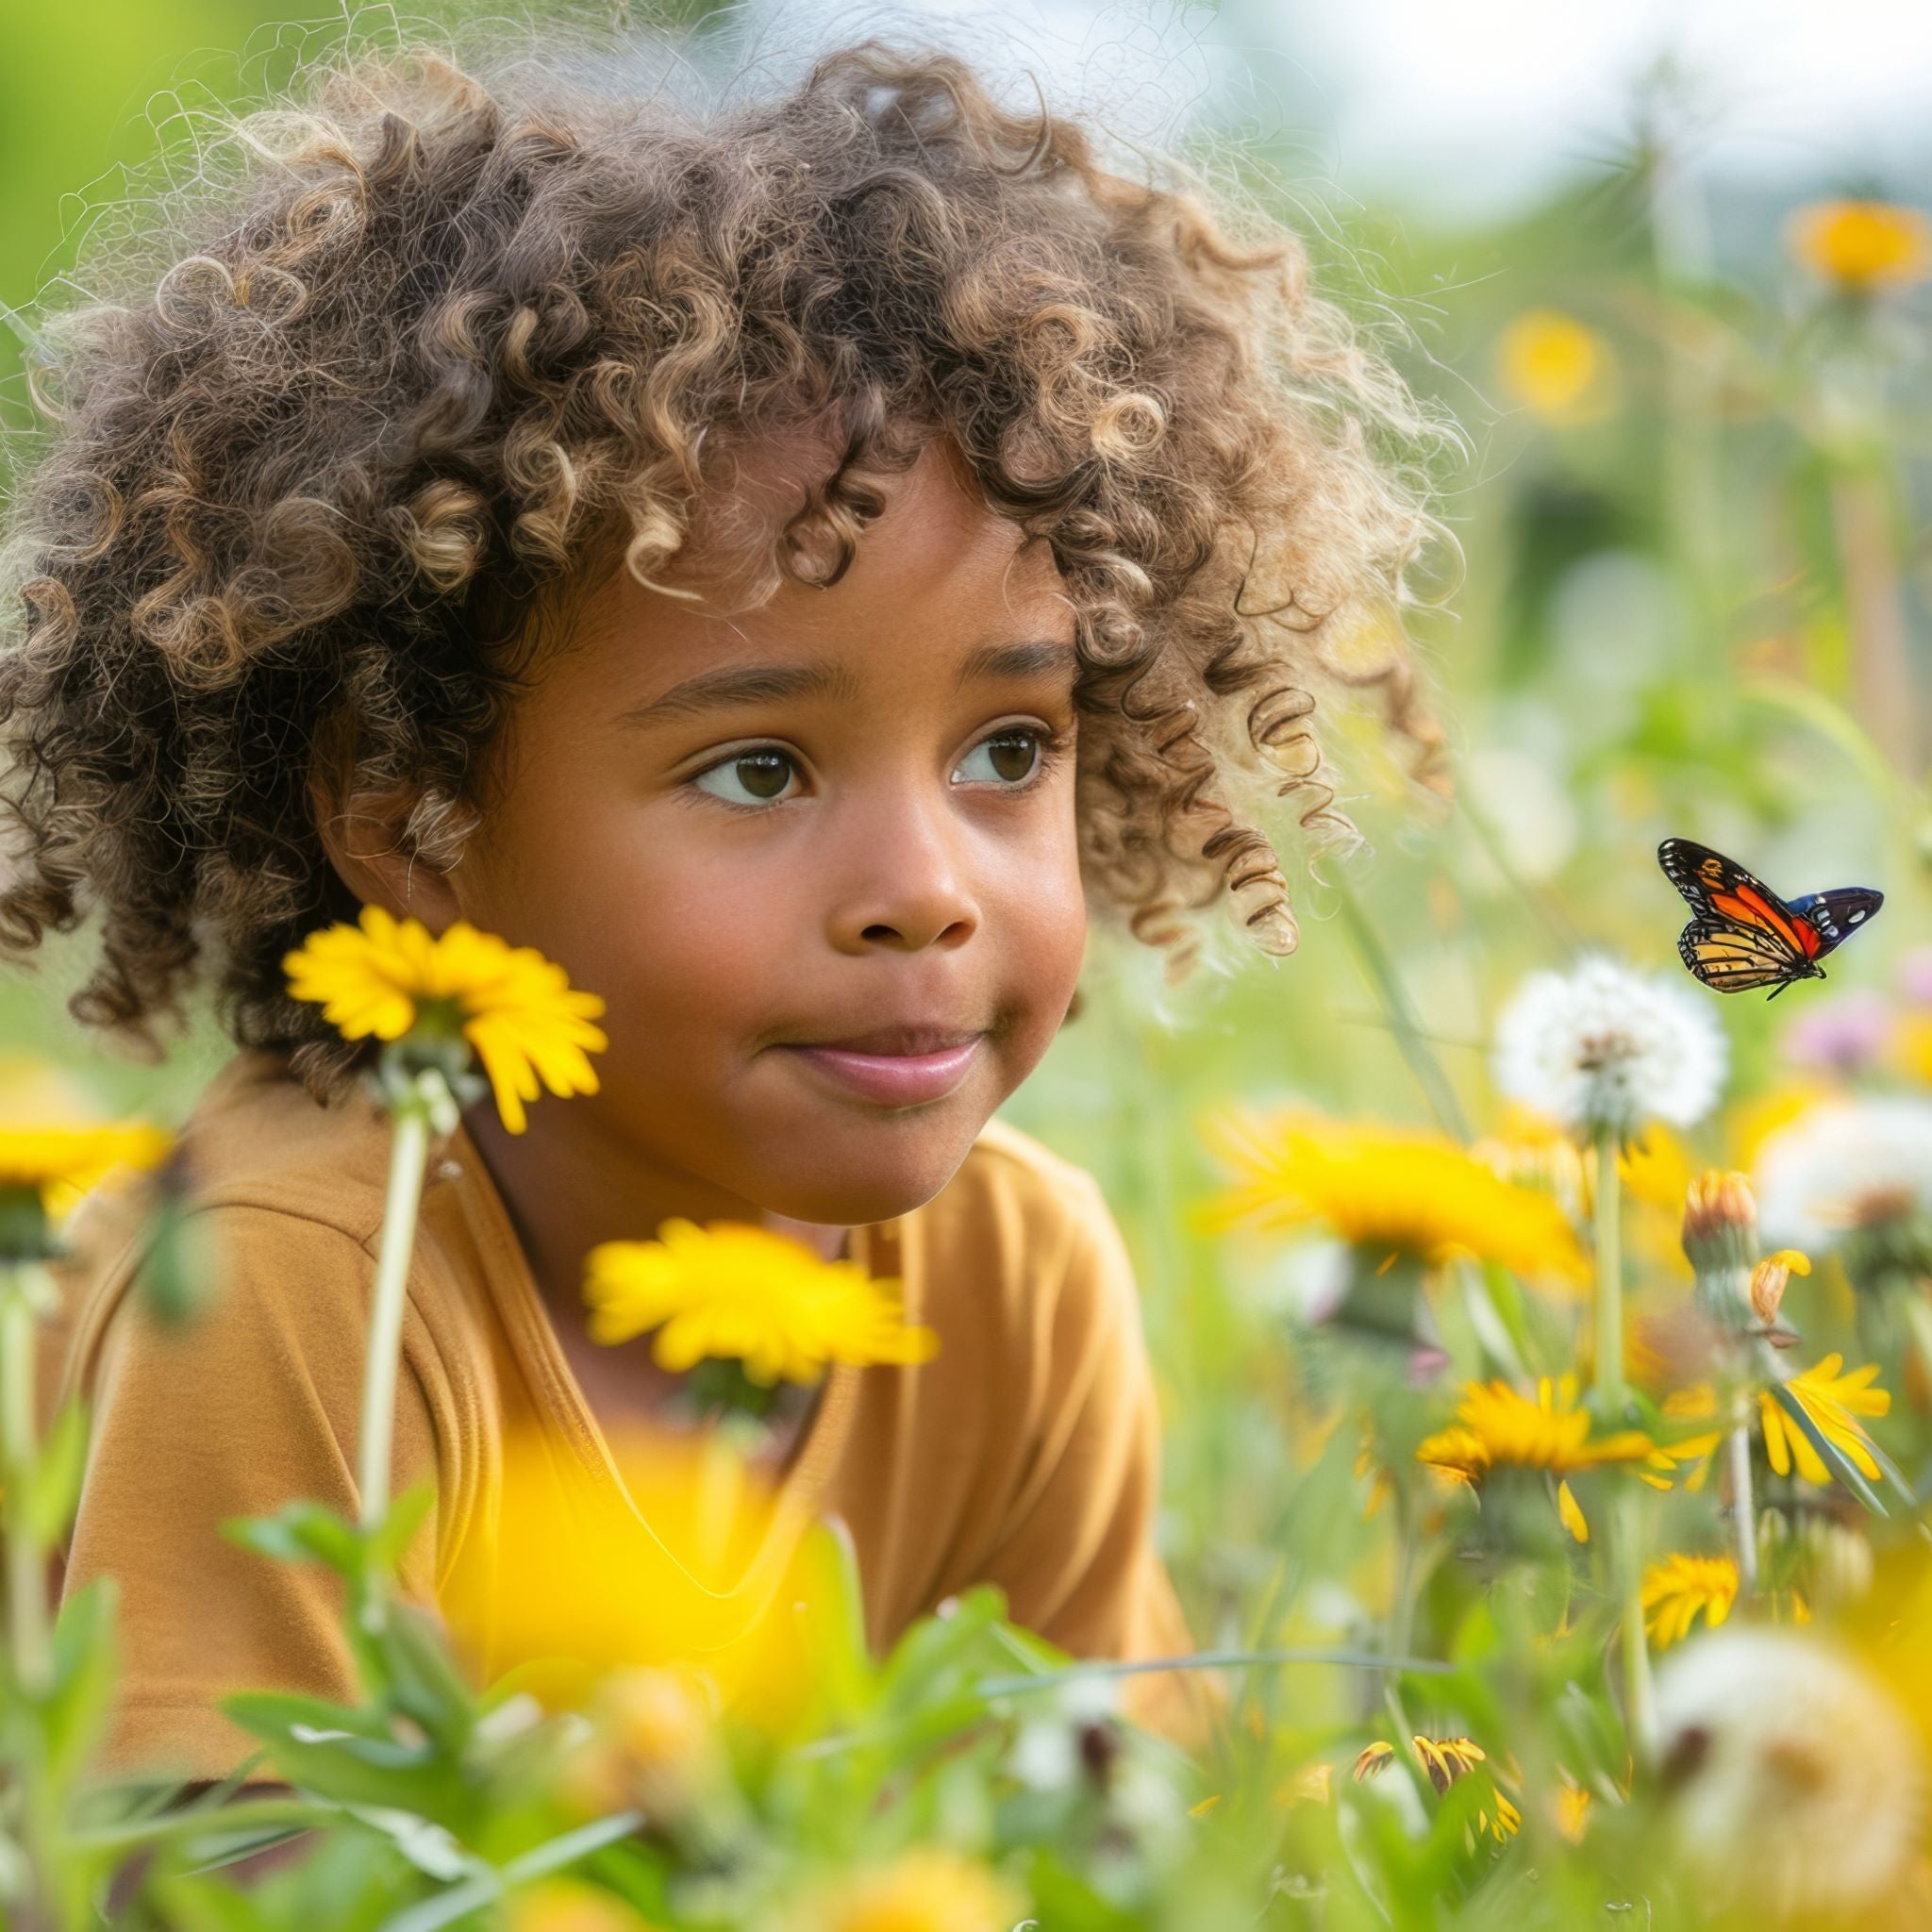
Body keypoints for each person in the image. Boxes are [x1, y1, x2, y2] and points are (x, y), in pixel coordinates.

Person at [1, 17, 1447, 1792]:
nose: (926, 895)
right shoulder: (299, 1288)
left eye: (1008, 749)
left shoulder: (1012, 1284)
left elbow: (1116, 1845)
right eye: (759, 770)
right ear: (409, 813)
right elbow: (204, 1890)